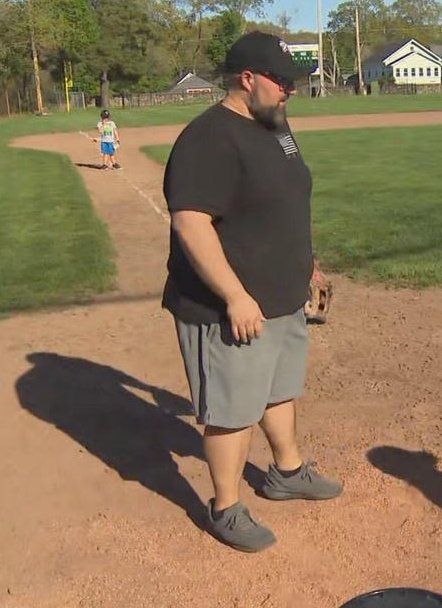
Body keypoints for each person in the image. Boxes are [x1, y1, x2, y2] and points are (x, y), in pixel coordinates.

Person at [162, 31, 342, 553]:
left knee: (278, 387)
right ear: (247, 79)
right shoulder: (208, 138)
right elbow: (191, 224)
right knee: (232, 408)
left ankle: (286, 472)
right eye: (282, 81)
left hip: (282, 294)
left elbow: (286, 198)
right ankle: (225, 506)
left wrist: (305, 263)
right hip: (227, 305)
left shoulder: (277, 126)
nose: (290, 91)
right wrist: (235, 295)